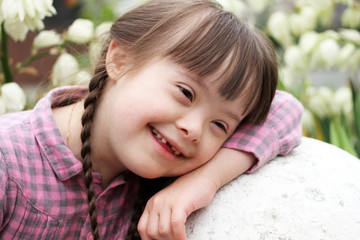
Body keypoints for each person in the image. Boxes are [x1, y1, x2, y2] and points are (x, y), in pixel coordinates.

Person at [0, 0, 303, 239]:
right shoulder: (8, 163)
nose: (194, 129)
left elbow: (285, 110)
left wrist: (204, 181)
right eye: (186, 93)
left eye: (220, 125)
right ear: (120, 60)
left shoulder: (148, 179)